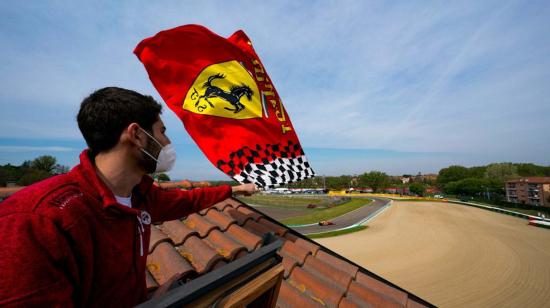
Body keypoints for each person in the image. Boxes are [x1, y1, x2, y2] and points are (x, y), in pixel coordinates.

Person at [0, 87, 257, 307]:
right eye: (161, 131)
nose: (167, 141)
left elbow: (187, 201)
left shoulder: (138, 195)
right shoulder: (35, 221)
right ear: (137, 135)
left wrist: (235, 189)